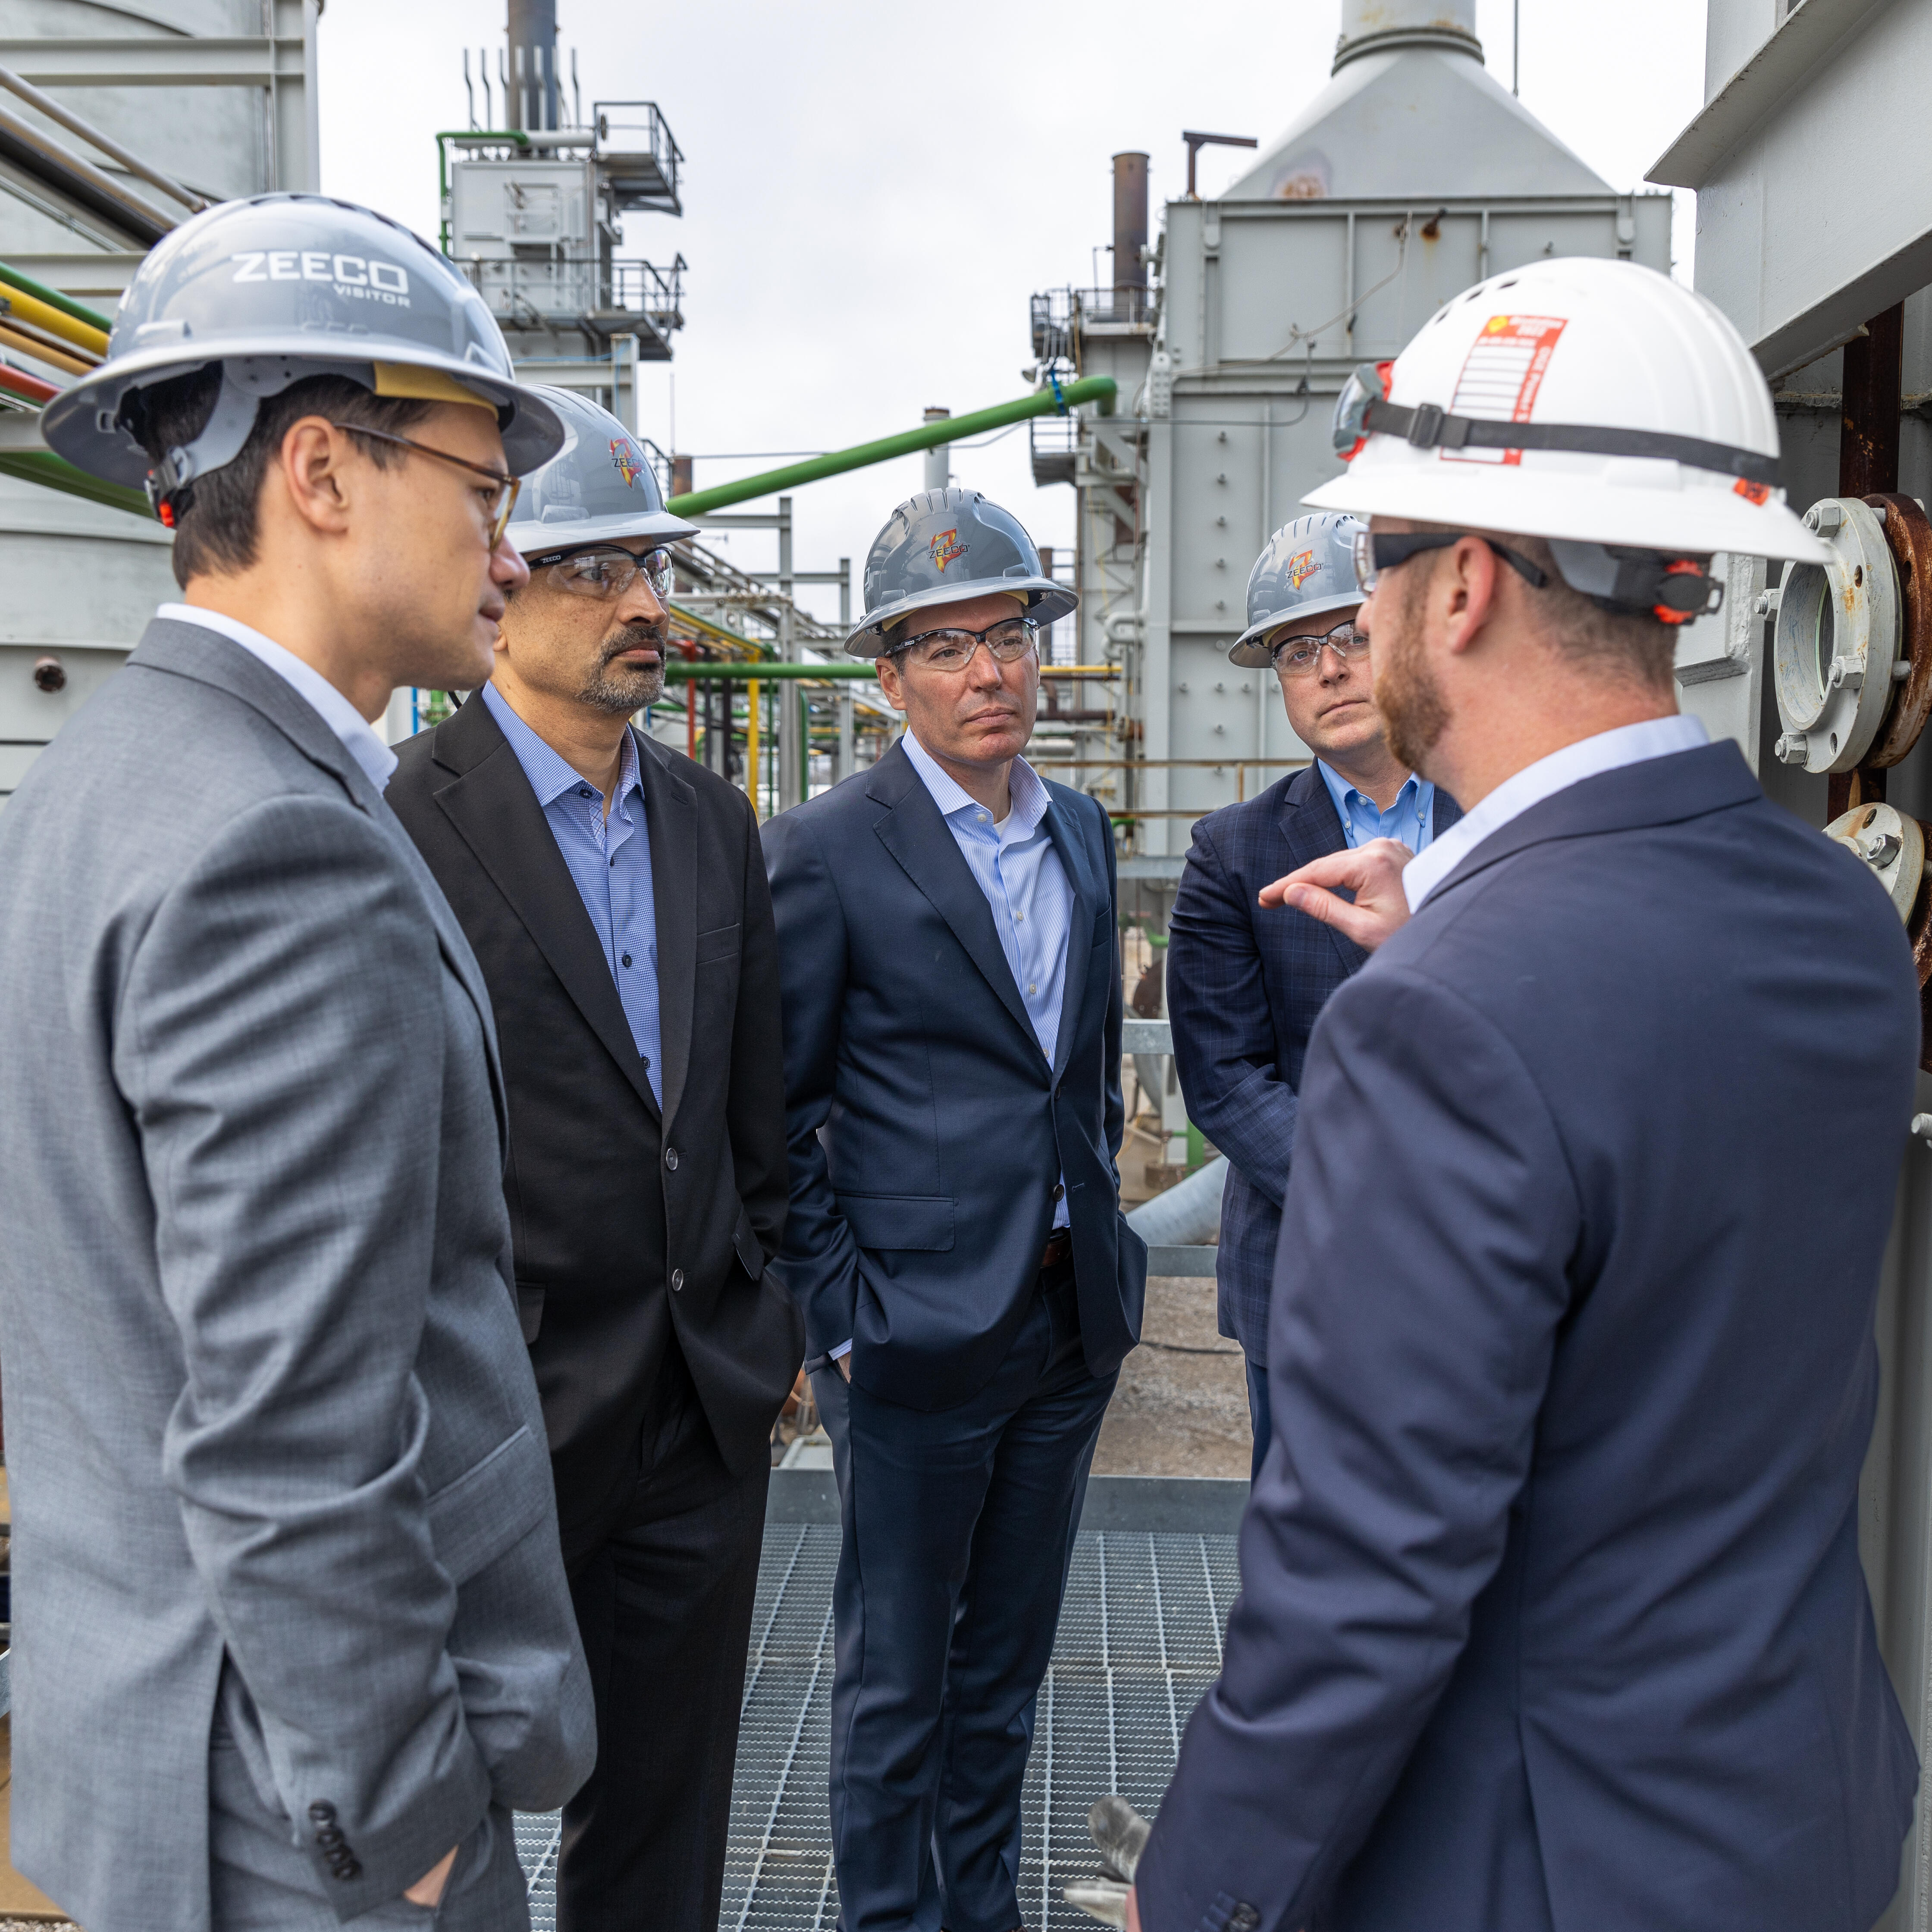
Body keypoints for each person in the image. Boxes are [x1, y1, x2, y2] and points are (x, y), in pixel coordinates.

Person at [1129, 257, 1919, 1932]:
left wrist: (1202, 1901)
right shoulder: (1840, 917)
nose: (1364, 614)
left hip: (1537, 1866)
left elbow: (1359, 1587)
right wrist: (1475, 938)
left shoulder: (1443, 1021)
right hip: (1792, 1819)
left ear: (1466, 584)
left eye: (1381, 567)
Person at [0, 193, 596, 1931]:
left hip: (147, 1761)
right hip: (301, 1822)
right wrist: (402, 1825)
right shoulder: (279, 843)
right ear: (325, 475)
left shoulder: (100, 774)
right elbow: (290, 1439)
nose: (508, 557)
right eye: (486, 495)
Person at [386, 386, 801, 1932]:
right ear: (501, 591)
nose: (647, 608)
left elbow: (754, 1100)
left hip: (700, 1400)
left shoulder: (712, 821)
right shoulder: (406, 827)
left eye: (654, 572)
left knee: (667, 1808)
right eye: (599, 572)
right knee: (460, 1801)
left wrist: (774, 1306)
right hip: (501, 1414)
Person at [763, 487, 1146, 1932]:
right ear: (890, 676)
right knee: (895, 1678)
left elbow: (1084, 1072)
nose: (989, 673)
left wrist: (1093, 1230)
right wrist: (841, 1318)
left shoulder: (1083, 834)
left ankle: (973, 1908)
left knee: (1003, 1675)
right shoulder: (828, 849)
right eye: (944, 647)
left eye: (1008, 637)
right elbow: (783, 1111)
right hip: (912, 1335)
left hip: (1062, 1321)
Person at [1165, 513, 1459, 1478]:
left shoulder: (1506, 809)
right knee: (1312, 1558)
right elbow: (1225, 1078)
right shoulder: (1232, 853)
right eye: (1297, 650)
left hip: (1493, 1252)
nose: (1329, 668)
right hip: (1308, 1267)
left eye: (1353, 635)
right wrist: (1373, 1192)